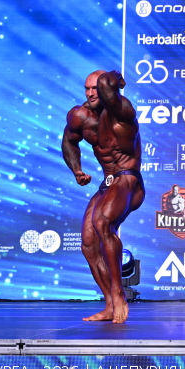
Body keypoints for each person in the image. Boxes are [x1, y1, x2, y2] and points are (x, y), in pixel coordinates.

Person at [62, 70, 145, 323]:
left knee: (102, 223)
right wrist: (77, 170)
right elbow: (69, 141)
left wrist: (117, 78)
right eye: (86, 89)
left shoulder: (122, 111)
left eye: (95, 89)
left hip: (128, 179)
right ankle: (109, 303)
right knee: (88, 244)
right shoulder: (80, 116)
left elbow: (107, 84)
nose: (90, 93)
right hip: (107, 182)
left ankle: (119, 293)